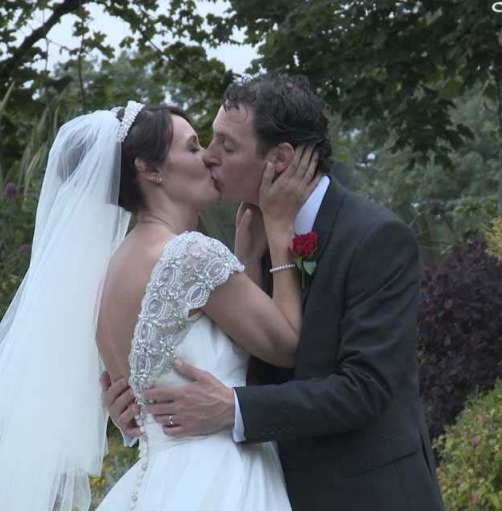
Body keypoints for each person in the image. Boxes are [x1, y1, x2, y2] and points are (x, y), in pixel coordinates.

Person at [0, 101, 317, 511]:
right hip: (218, 476)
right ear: (151, 170)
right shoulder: (189, 256)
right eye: (191, 148)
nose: (208, 157)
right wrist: (279, 232)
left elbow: (143, 411)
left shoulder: (108, 278)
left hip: (157, 480)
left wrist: (243, 263)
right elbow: (285, 344)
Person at [103, 73, 445, 510]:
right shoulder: (240, 241)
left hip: (363, 494)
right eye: (205, 142)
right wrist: (136, 400)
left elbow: (365, 389)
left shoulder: (376, 238)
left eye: (226, 147)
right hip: (245, 487)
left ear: (279, 159)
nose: (209, 157)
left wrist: (235, 409)